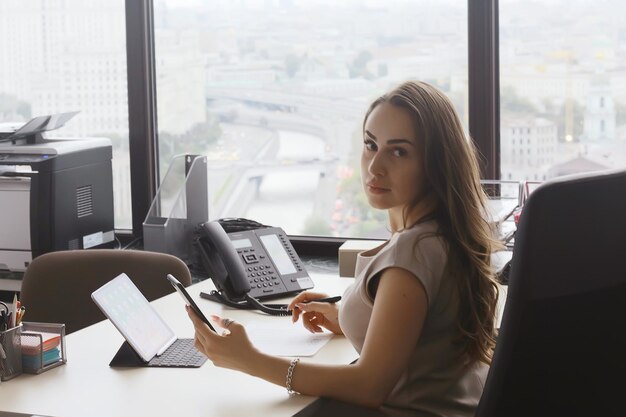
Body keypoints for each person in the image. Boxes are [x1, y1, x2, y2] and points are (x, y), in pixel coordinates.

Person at [185, 80, 501, 417]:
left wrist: (250, 361)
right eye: (370, 144)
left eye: (399, 151)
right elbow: (428, 339)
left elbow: (369, 387)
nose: (374, 166)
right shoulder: (444, 238)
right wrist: (352, 319)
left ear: (435, 162)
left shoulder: (412, 254)